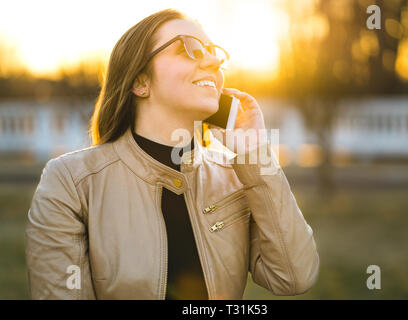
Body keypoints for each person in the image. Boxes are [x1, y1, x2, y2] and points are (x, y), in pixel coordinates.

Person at [25, 8, 319, 300]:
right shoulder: (71, 182)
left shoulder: (236, 175)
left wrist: (256, 156)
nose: (214, 61)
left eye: (214, 51)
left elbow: (294, 276)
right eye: (189, 48)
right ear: (141, 82)